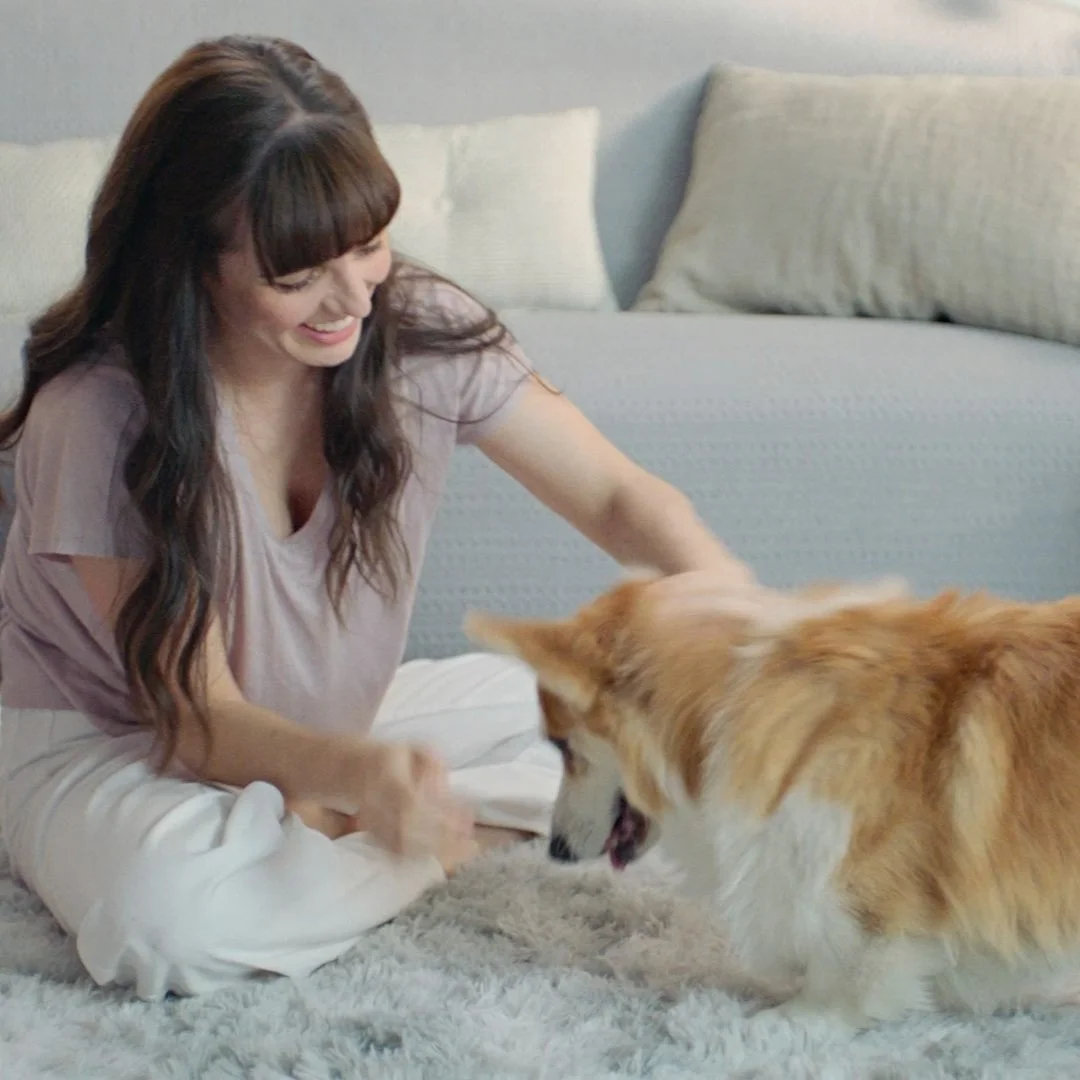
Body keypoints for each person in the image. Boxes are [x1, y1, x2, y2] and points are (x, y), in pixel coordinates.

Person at [0, 35, 755, 1000]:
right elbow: (198, 719)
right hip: (119, 744)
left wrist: (748, 624)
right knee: (167, 927)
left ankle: (350, 830)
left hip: (339, 724)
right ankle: (426, 841)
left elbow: (616, 497)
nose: (353, 295)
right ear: (190, 262)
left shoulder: (414, 326)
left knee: (622, 713)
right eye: (298, 273)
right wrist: (362, 778)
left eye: (369, 244)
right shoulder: (99, 414)